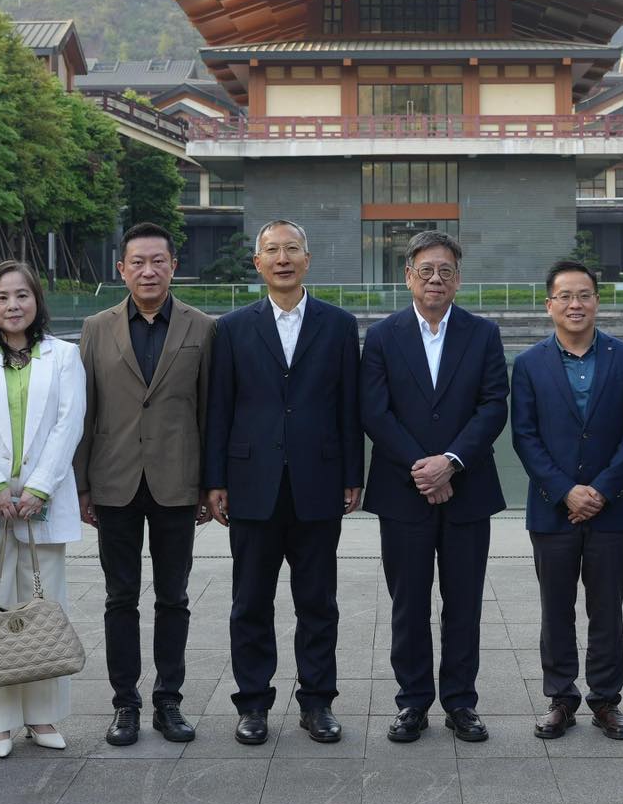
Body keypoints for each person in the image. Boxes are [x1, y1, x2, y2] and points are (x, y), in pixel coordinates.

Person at [204, 219, 362, 747]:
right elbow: (219, 409)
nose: (283, 258)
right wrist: (215, 479)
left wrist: (353, 474)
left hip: (319, 481)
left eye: (292, 248)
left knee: (318, 603)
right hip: (252, 483)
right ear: (258, 263)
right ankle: (252, 704)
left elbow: (349, 406)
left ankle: (317, 703)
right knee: (250, 602)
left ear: (307, 259)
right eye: (272, 250)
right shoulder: (231, 328)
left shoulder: (338, 325)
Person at [361, 231, 509, 744]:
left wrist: (451, 462)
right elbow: (374, 412)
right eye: (425, 270)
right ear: (408, 276)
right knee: (408, 604)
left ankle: (461, 702)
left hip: (468, 489)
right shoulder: (383, 336)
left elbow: (493, 405)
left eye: (445, 271)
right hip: (403, 493)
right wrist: (422, 469)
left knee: (464, 603)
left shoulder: (483, 333)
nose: (435, 279)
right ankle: (412, 702)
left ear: (458, 279)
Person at [76, 221, 215, 747]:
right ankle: (125, 703)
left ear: (174, 266)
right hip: (114, 481)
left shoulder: (203, 328)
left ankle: (168, 700)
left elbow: (210, 410)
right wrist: (82, 486)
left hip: (177, 481)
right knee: (120, 597)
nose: (148, 271)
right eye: (138, 262)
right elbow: (85, 412)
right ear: (122, 269)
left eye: (158, 261)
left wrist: (209, 483)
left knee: (174, 596)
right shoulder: (96, 328)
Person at [0, 260, 86, 758]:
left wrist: (40, 488)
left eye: (22, 295)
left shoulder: (64, 356)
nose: (12, 305)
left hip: (41, 505)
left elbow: (69, 424)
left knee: (44, 610)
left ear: (36, 301)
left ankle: (42, 716)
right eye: (2, 297)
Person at [511, 258, 623, 741]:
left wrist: (602, 490)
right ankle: (561, 698)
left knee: (607, 608)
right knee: (556, 608)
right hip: (552, 510)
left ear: (597, 301)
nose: (576, 304)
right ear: (548, 305)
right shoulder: (529, 364)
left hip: (611, 509)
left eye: (584, 295)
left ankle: (606, 700)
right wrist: (565, 490)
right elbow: (525, 436)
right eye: (565, 296)